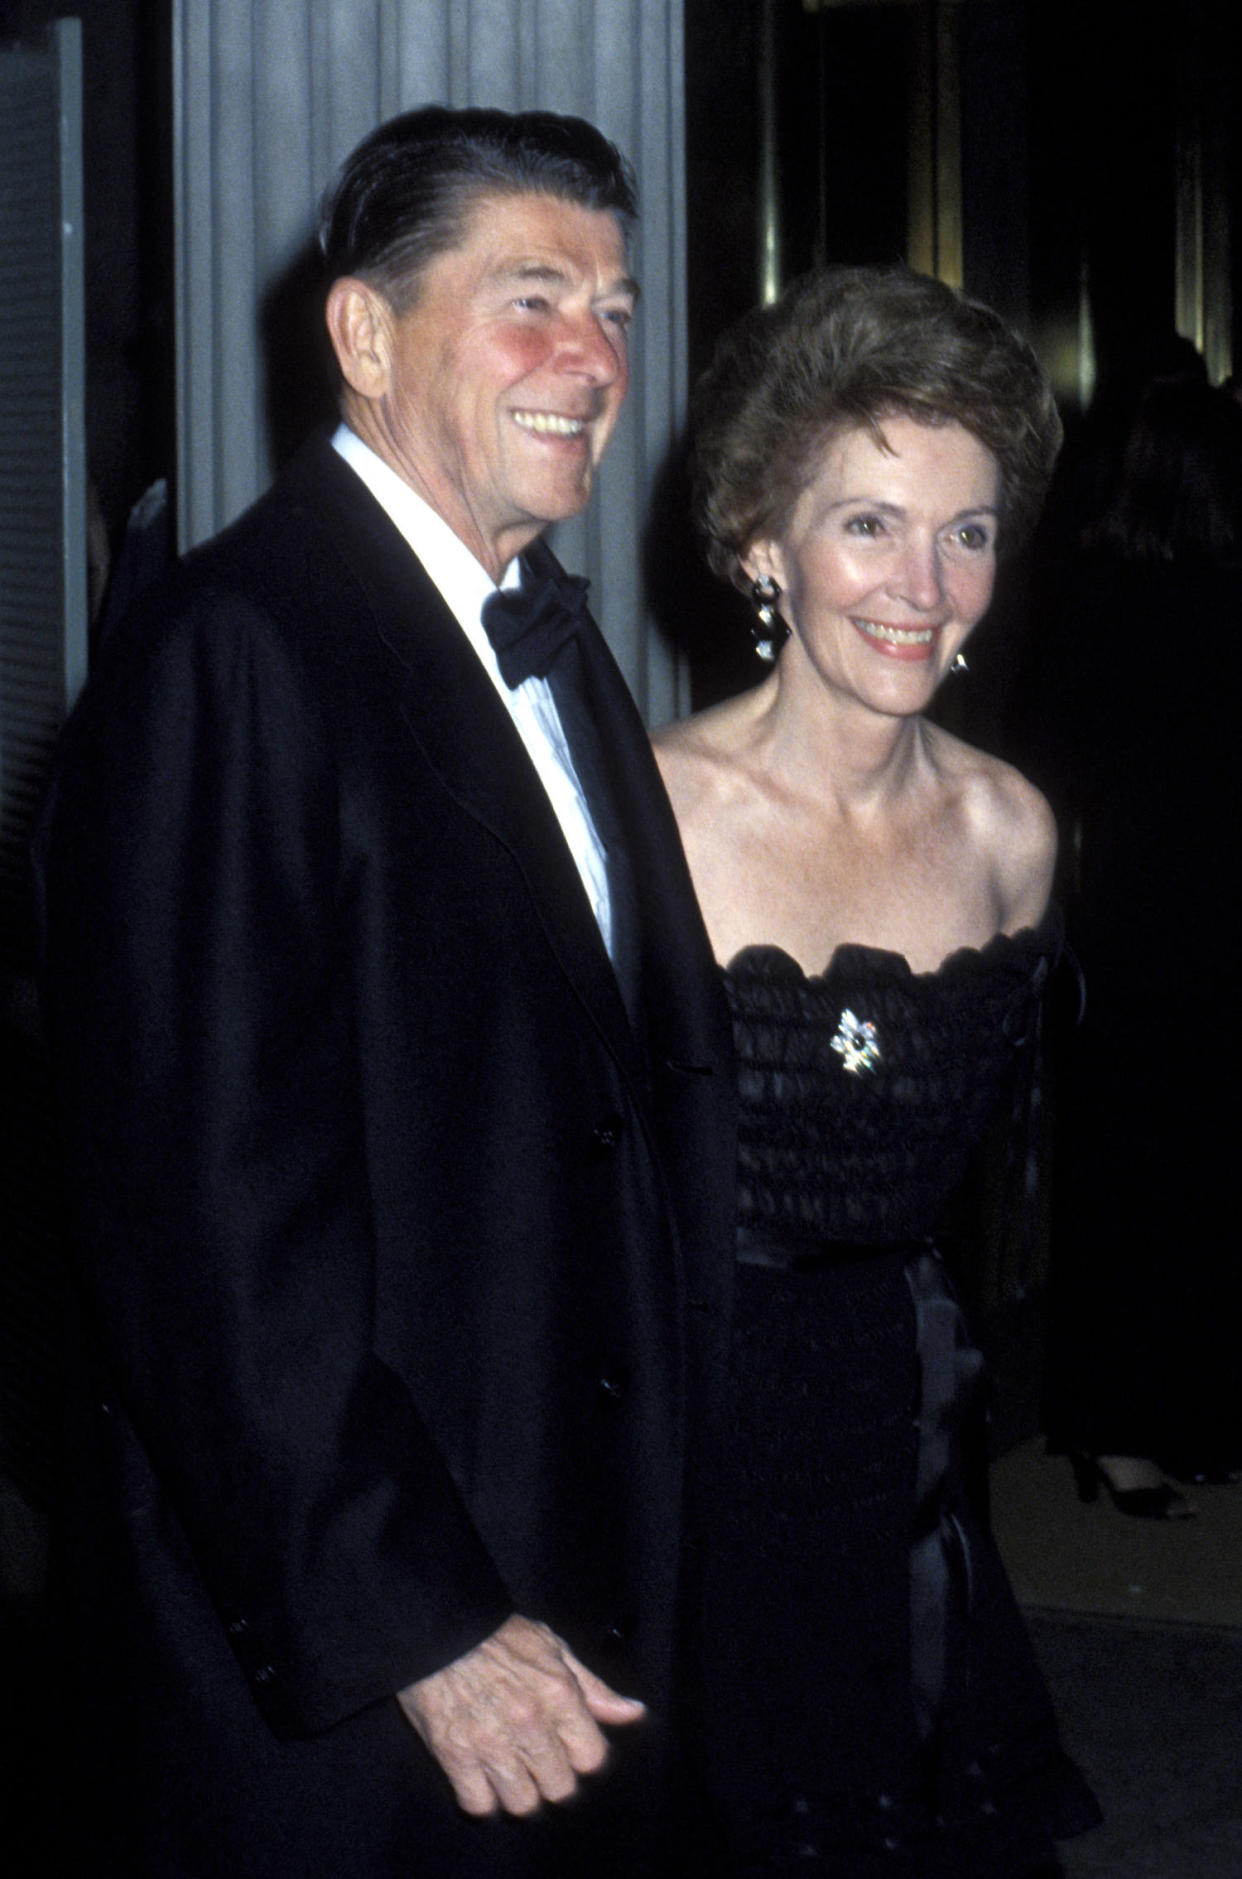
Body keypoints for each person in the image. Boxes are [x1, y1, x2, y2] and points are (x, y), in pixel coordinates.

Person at [33, 106, 734, 1877]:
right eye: (532, 298)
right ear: (363, 333)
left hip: (571, 1575)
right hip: (377, 1656)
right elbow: (197, 1219)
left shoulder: (551, 646)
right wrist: (410, 1616)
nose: (595, 355)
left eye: (619, 305)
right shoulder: (235, 651)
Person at [654, 265, 1099, 1876]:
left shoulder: (1008, 835)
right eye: (868, 525)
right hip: (682, 1456)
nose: (924, 583)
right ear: (759, 541)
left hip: (907, 1460)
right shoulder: (640, 826)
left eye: (967, 530)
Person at [1035, 377, 1242, 1511]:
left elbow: (1048, 751)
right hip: (1170, 916)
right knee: (1166, 1174)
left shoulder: (1097, 588)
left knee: (1142, 1175)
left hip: (1138, 912)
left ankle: (1136, 1423)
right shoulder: (1175, 595)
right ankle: (1136, 1422)